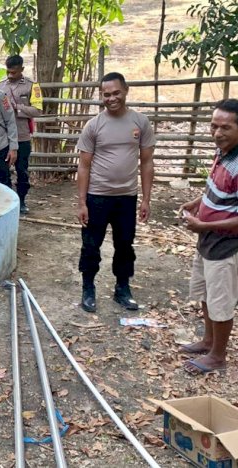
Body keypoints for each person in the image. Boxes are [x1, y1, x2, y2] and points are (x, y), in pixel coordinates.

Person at [179, 98, 238, 375]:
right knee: (207, 293)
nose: (218, 133)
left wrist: (204, 225)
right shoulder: (225, 151)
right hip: (210, 239)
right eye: (213, 126)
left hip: (226, 243)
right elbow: (219, 189)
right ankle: (208, 340)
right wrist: (198, 202)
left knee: (221, 300)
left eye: (225, 127)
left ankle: (218, 356)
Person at [76, 72, 155, 314]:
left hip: (126, 198)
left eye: (116, 93)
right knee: (91, 245)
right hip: (97, 197)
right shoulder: (94, 125)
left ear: (126, 90)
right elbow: (84, 165)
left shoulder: (140, 123)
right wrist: (82, 203)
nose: (111, 98)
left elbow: (147, 162)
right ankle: (88, 289)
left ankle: (122, 288)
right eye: (106, 94)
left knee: (124, 245)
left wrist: (146, 199)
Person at [0, 55, 43, 214]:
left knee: (22, 171)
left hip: (22, 136)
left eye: (14, 72)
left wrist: (18, 108)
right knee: (3, 170)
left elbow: (38, 110)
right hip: (3, 137)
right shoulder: (0, 86)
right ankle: (7, 201)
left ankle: (22, 200)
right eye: (8, 72)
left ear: (22, 69)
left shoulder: (32, 86)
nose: (10, 75)